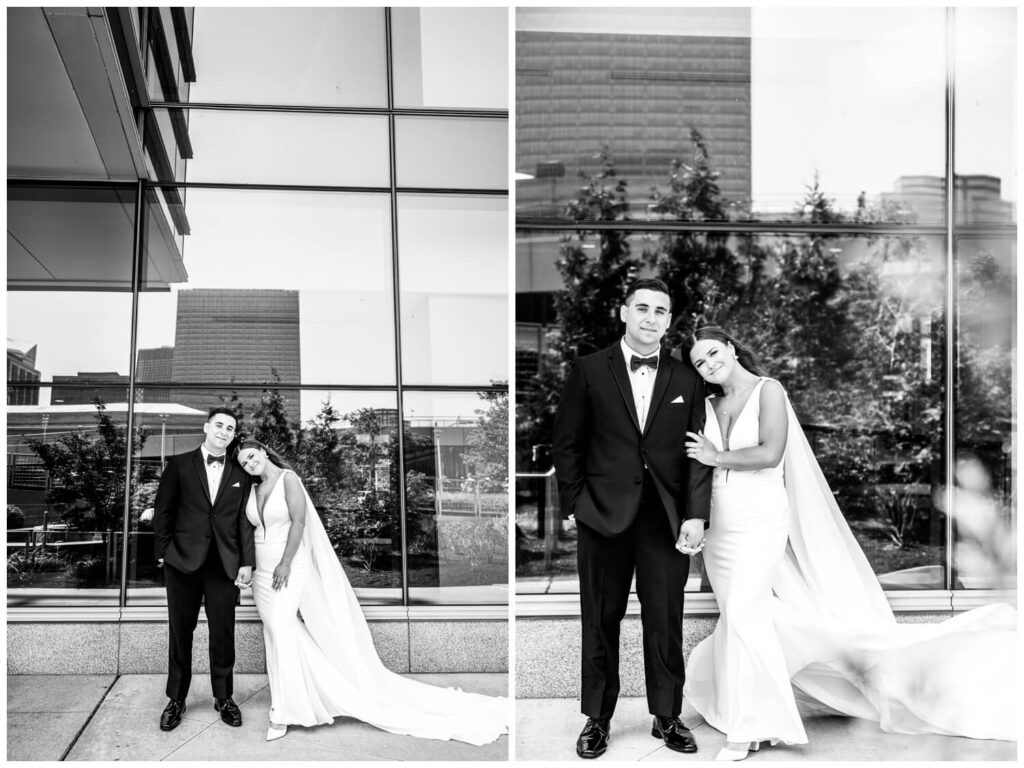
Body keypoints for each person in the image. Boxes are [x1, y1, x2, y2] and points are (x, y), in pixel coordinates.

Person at [680, 326, 1018, 760]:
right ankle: (749, 710)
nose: (709, 365)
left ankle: (748, 729)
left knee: (746, 614)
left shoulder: (769, 390)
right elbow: (694, 466)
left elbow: (771, 453)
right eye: (700, 363)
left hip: (760, 519)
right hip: (720, 526)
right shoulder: (706, 404)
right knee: (742, 616)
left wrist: (717, 456)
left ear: (729, 347)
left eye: (712, 354)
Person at [232, 438, 508, 745]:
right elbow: (250, 529)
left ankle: (284, 710)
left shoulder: (289, 479)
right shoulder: (253, 489)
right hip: (261, 572)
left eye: (252, 457)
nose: (249, 464)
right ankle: (313, 693)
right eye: (244, 463)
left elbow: (298, 523)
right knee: (277, 634)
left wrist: (285, 563)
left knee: (283, 631)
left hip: (288, 567)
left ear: (264, 451)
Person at [552, 278, 713, 759]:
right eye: (641, 308)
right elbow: (568, 444)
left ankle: (667, 716)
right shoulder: (588, 370)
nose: (650, 318)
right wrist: (577, 505)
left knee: (666, 619)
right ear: (623, 313)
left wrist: (696, 515)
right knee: (600, 619)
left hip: (665, 520)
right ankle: (597, 719)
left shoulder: (688, 378)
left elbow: (698, 454)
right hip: (601, 516)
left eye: (660, 311)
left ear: (669, 320)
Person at [152, 406, 255, 732]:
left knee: (223, 634)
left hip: (223, 565)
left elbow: (243, 522)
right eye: (220, 425)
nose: (225, 431)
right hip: (181, 563)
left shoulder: (241, 474)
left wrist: (246, 562)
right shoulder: (180, 464)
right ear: (207, 427)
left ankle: (223, 697)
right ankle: (177, 698)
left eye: (231, 428)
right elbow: (163, 512)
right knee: (180, 632)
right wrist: (163, 554)